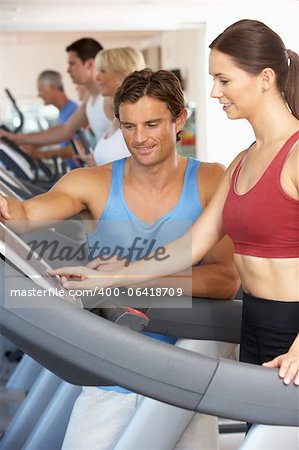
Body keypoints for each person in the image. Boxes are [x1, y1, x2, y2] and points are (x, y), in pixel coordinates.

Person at [49, 20, 299, 389]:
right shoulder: (243, 161)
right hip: (257, 320)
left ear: (265, 78)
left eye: (223, 80)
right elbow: (192, 245)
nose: (214, 92)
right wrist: (111, 277)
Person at [0, 69, 239, 449]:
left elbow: (225, 280)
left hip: (188, 364)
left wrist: (127, 279)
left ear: (180, 119)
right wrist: (6, 208)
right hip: (112, 366)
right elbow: (25, 216)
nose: (139, 138)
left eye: (151, 123)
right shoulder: (90, 183)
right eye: (128, 126)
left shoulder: (211, 180)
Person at [0, 38, 112, 156]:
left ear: (89, 64)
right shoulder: (90, 100)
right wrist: (15, 138)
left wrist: (41, 154)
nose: (68, 70)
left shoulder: (110, 97)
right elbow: (65, 130)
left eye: (72, 63)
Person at [77, 47, 146, 167]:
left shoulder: (136, 120)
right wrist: (97, 160)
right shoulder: (118, 116)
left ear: (123, 78)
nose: (97, 77)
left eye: (102, 71)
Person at [22, 69, 79, 169]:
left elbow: (78, 148)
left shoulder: (74, 112)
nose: (39, 94)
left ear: (52, 87)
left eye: (40, 89)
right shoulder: (63, 112)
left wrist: (41, 154)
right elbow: (53, 138)